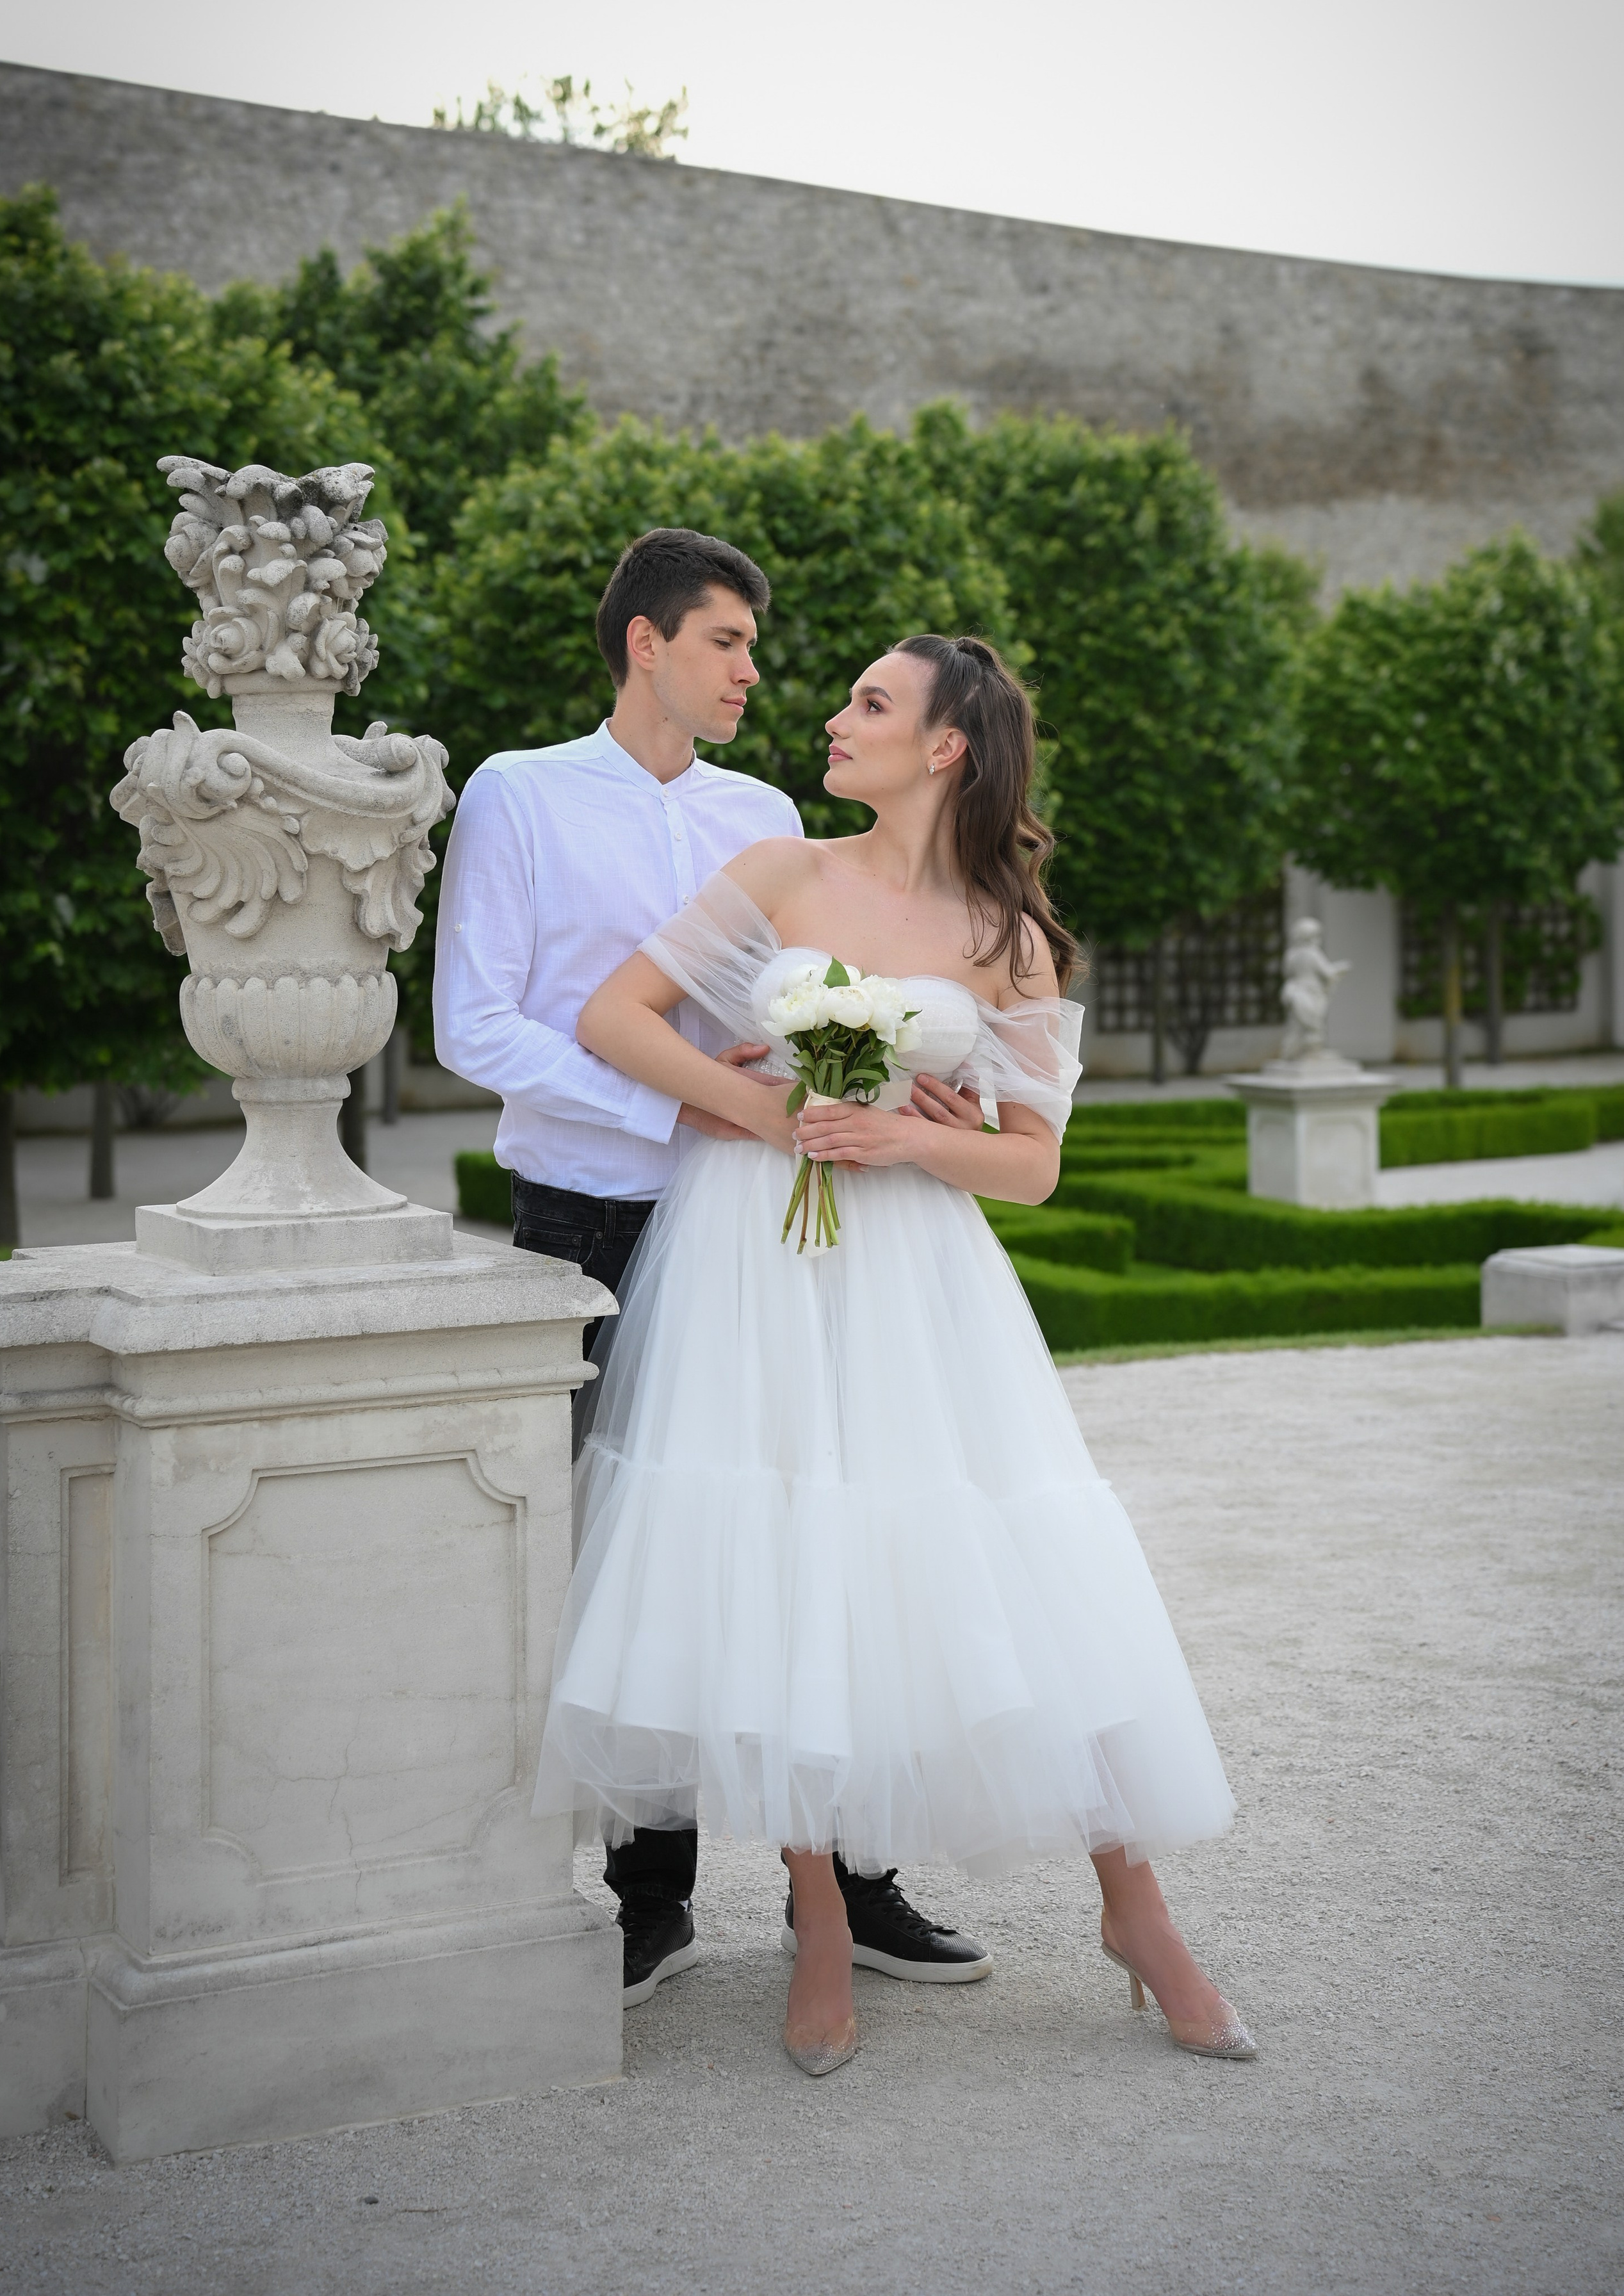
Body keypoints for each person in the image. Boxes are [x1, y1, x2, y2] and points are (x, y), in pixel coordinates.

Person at [532, 632, 1255, 2076]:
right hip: (753, 1255)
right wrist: (764, 1113)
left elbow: (1033, 1164)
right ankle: (813, 1914)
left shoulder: (1013, 935)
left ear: (946, 746)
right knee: (792, 1554)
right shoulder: (784, 873)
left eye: (868, 700)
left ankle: (1138, 1909)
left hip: (919, 1278)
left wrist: (902, 1133)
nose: (830, 714)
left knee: (1021, 1564)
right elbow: (614, 1017)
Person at [434, 530, 993, 2008]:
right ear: (645, 643)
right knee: (645, 1553)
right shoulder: (520, 792)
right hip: (595, 1211)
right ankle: (649, 1895)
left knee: (830, 1531)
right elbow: (473, 1024)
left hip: (769, 1224)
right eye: (729, 641)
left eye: (755, 645)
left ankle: (858, 1879)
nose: (756, 670)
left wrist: (909, 1099)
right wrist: (673, 1098)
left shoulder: (769, 817)